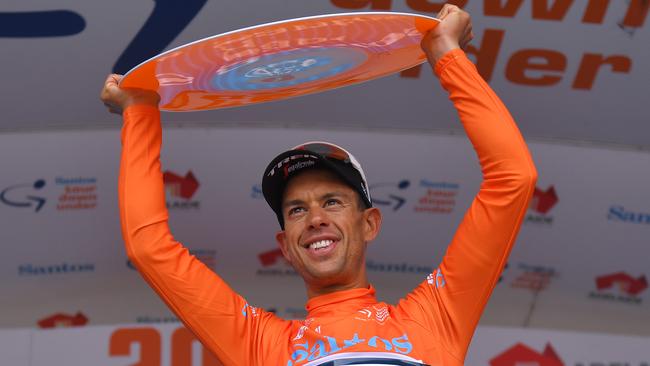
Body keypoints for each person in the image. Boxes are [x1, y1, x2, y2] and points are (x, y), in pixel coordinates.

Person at [101, 4, 537, 365]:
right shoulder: (262, 345)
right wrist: (139, 111)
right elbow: (149, 248)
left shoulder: (435, 317)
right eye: (296, 210)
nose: (314, 219)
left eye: (332, 201)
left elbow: (514, 178)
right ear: (286, 244)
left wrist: (446, 53)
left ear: (370, 223)